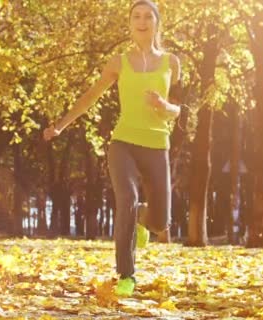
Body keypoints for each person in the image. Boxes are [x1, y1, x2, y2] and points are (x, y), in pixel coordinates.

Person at [43, 0, 182, 297]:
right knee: (126, 199)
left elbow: (177, 110)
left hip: (157, 144)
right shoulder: (119, 61)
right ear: (130, 24)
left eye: (148, 16)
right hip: (124, 144)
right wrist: (61, 125)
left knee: (161, 222)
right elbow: (91, 96)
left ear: (157, 22)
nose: (142, 21)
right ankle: (126, 275)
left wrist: (163, 105)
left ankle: (145, 218)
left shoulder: (172, 62)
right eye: (136, 17)